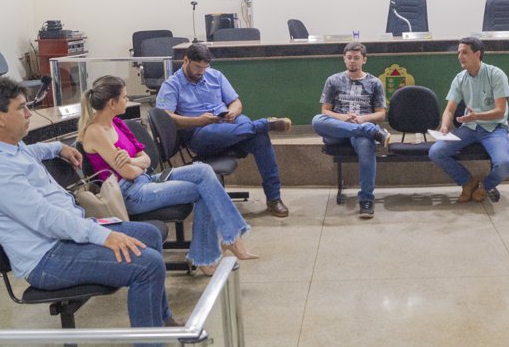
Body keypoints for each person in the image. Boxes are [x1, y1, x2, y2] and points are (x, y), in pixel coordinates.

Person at [0, 77, 181, 347]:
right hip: (46, 258)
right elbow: (45, 218)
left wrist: (59, 148)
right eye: (22, 108)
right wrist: (103, 235)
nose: (29, 114)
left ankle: (159, 317)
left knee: (150, 235)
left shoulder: (7, 147)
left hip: (63, 238)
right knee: (146, 265)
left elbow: (32, 153)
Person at [78, 75, 258, 275]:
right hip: (131, 193)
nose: (127, 101)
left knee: (205, 171)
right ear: (112, 103)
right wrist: (135, 165)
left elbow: (144, 158)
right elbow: (127, 173)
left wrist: (132, 161)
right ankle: (214, 251)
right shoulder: (95, 132)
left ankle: (227, 240)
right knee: (204, 188)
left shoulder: (117, 123)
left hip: (147, 179)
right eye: (125, 97)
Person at [156, 43, 292, 217]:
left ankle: (274, 199)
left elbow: (236, 102)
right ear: (185, 60)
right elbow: (167, 119)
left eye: (204, 68)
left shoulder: (216, 76)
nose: (201, 72)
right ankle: (264, 123)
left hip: (228, 123)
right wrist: (198, 121)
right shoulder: (172, 85)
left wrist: (233, 111)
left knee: (260, 138)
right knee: (256, 130)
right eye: (197, 67)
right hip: (201, 132)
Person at [429, 37, 509, 203]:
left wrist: (477, 116)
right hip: (469, 128)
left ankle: (485, 186)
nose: (460, 56)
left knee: (505, 165)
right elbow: (449, 109)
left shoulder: (496, 75)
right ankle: (467, 182)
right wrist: (445, 126)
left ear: (477, 54)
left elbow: (500, 111)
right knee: (436, 152)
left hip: (494, 128)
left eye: (464, 52)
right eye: (459, 52)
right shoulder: (460, 78)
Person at [311, 42, 390, 218]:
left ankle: (366, 200)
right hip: (339, 128)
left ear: (364, 60)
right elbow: (325, 111)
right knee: (317, 121)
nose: (352, 61)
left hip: (360, 128)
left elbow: (381, 115)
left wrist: (362, 120)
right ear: (344, 59)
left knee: (366, 145)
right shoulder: (333, 80)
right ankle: (370, 131)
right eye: (349, 58)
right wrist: (342, 118)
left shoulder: (374, 82)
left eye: (356, 58)